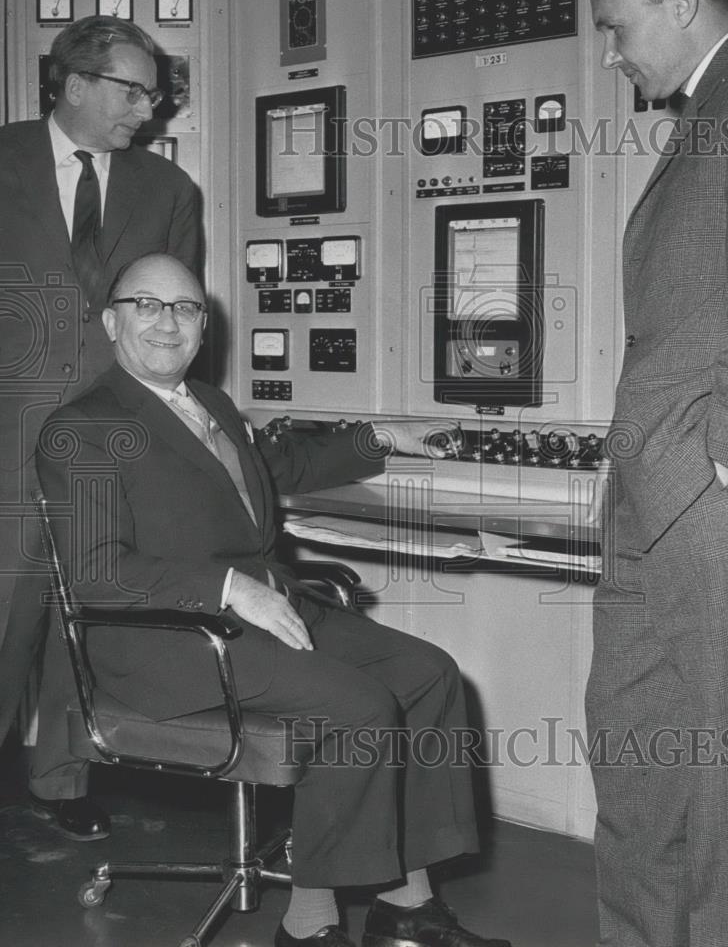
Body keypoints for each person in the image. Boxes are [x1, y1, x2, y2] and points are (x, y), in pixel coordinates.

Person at [35, 252, 512, 947]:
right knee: (358, 706)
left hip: (252, 613)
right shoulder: (82, 426)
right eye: (148, 305)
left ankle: (406, 906)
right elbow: (95, 572)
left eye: (187, 308)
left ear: (204, 326)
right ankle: (308, 924)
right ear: (112, 321)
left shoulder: (212, 404)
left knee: (428, 674)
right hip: (163, 640)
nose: (168, 322)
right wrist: (229, 589)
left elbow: (278, 467)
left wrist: (381, 438)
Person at [0, 15, 201, 839]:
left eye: (154, 95)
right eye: (132, 90)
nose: (147, 112)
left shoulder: (168, 192)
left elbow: (177, 328)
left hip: (110, 442)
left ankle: (59, 782)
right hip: (9, 434)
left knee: (79, 605)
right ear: (74, 83)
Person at [588, 0, 728, 945]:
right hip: (655, 483)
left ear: (682, 2)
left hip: (705, 486)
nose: (609, 54)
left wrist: (726, 449)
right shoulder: (708, 110)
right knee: (636, 737)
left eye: (616, 26)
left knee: (719, 775)